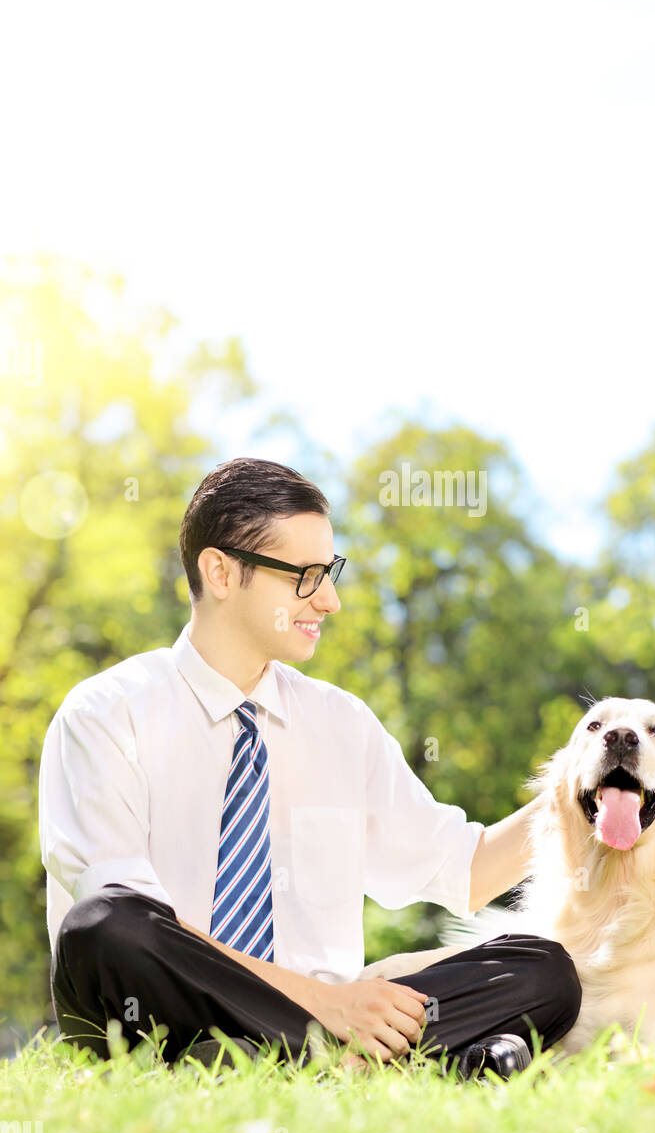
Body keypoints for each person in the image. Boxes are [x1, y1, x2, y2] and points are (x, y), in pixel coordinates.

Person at [38, 457, 582, 1079]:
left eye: (331, 573)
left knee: (541, 970)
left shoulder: (341, 724)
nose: (330, 600)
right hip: (153, 1018)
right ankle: (365, 1057)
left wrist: (581, 787)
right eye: (306, 575)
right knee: (104, 924)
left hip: (333, 1016)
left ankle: (267, 1062)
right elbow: (123, 921)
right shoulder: (107, 713)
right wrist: (326, 1003)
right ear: (220, 572)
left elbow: (468, 870)